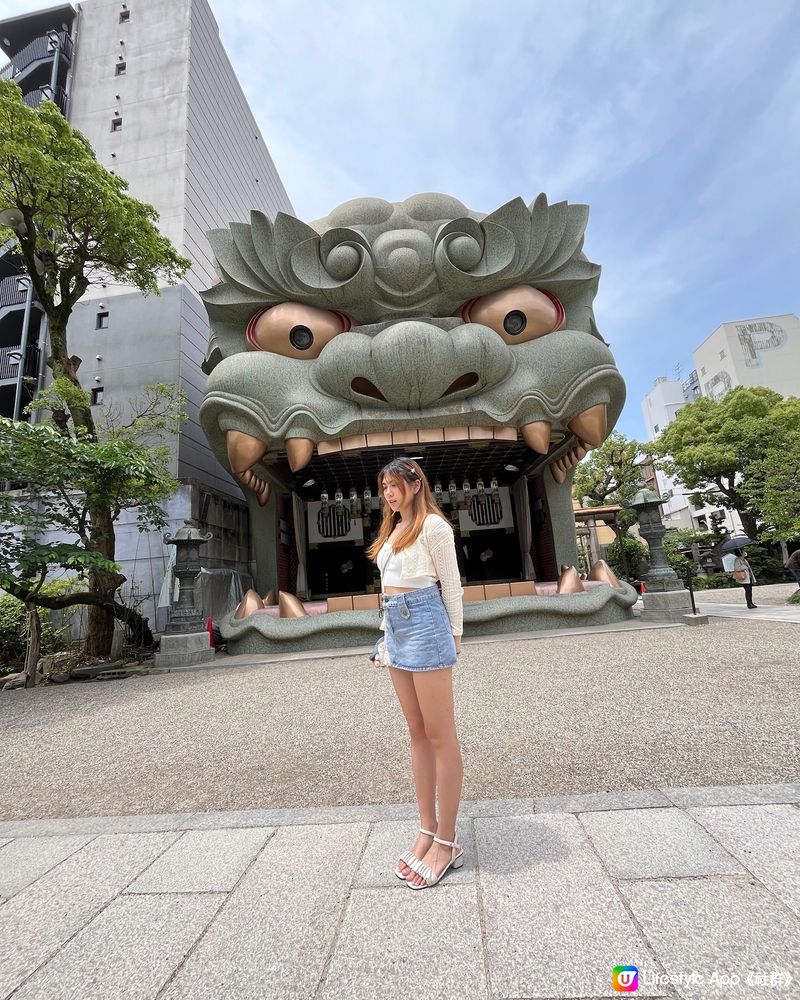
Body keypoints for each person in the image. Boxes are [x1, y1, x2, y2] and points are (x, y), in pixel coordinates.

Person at [366, 457, 465, 890]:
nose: (388, 493)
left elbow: (452, 586)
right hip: (397, 627)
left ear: (415, 483)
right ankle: (427, 829)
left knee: (442, 735)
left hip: (426, 625)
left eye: (394, 485)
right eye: (383, 487)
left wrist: (455, 637)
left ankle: (447, 840)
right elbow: (388, 591)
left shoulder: (434, 528)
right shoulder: (391, 531)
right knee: (417, 733)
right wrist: (384, 637)